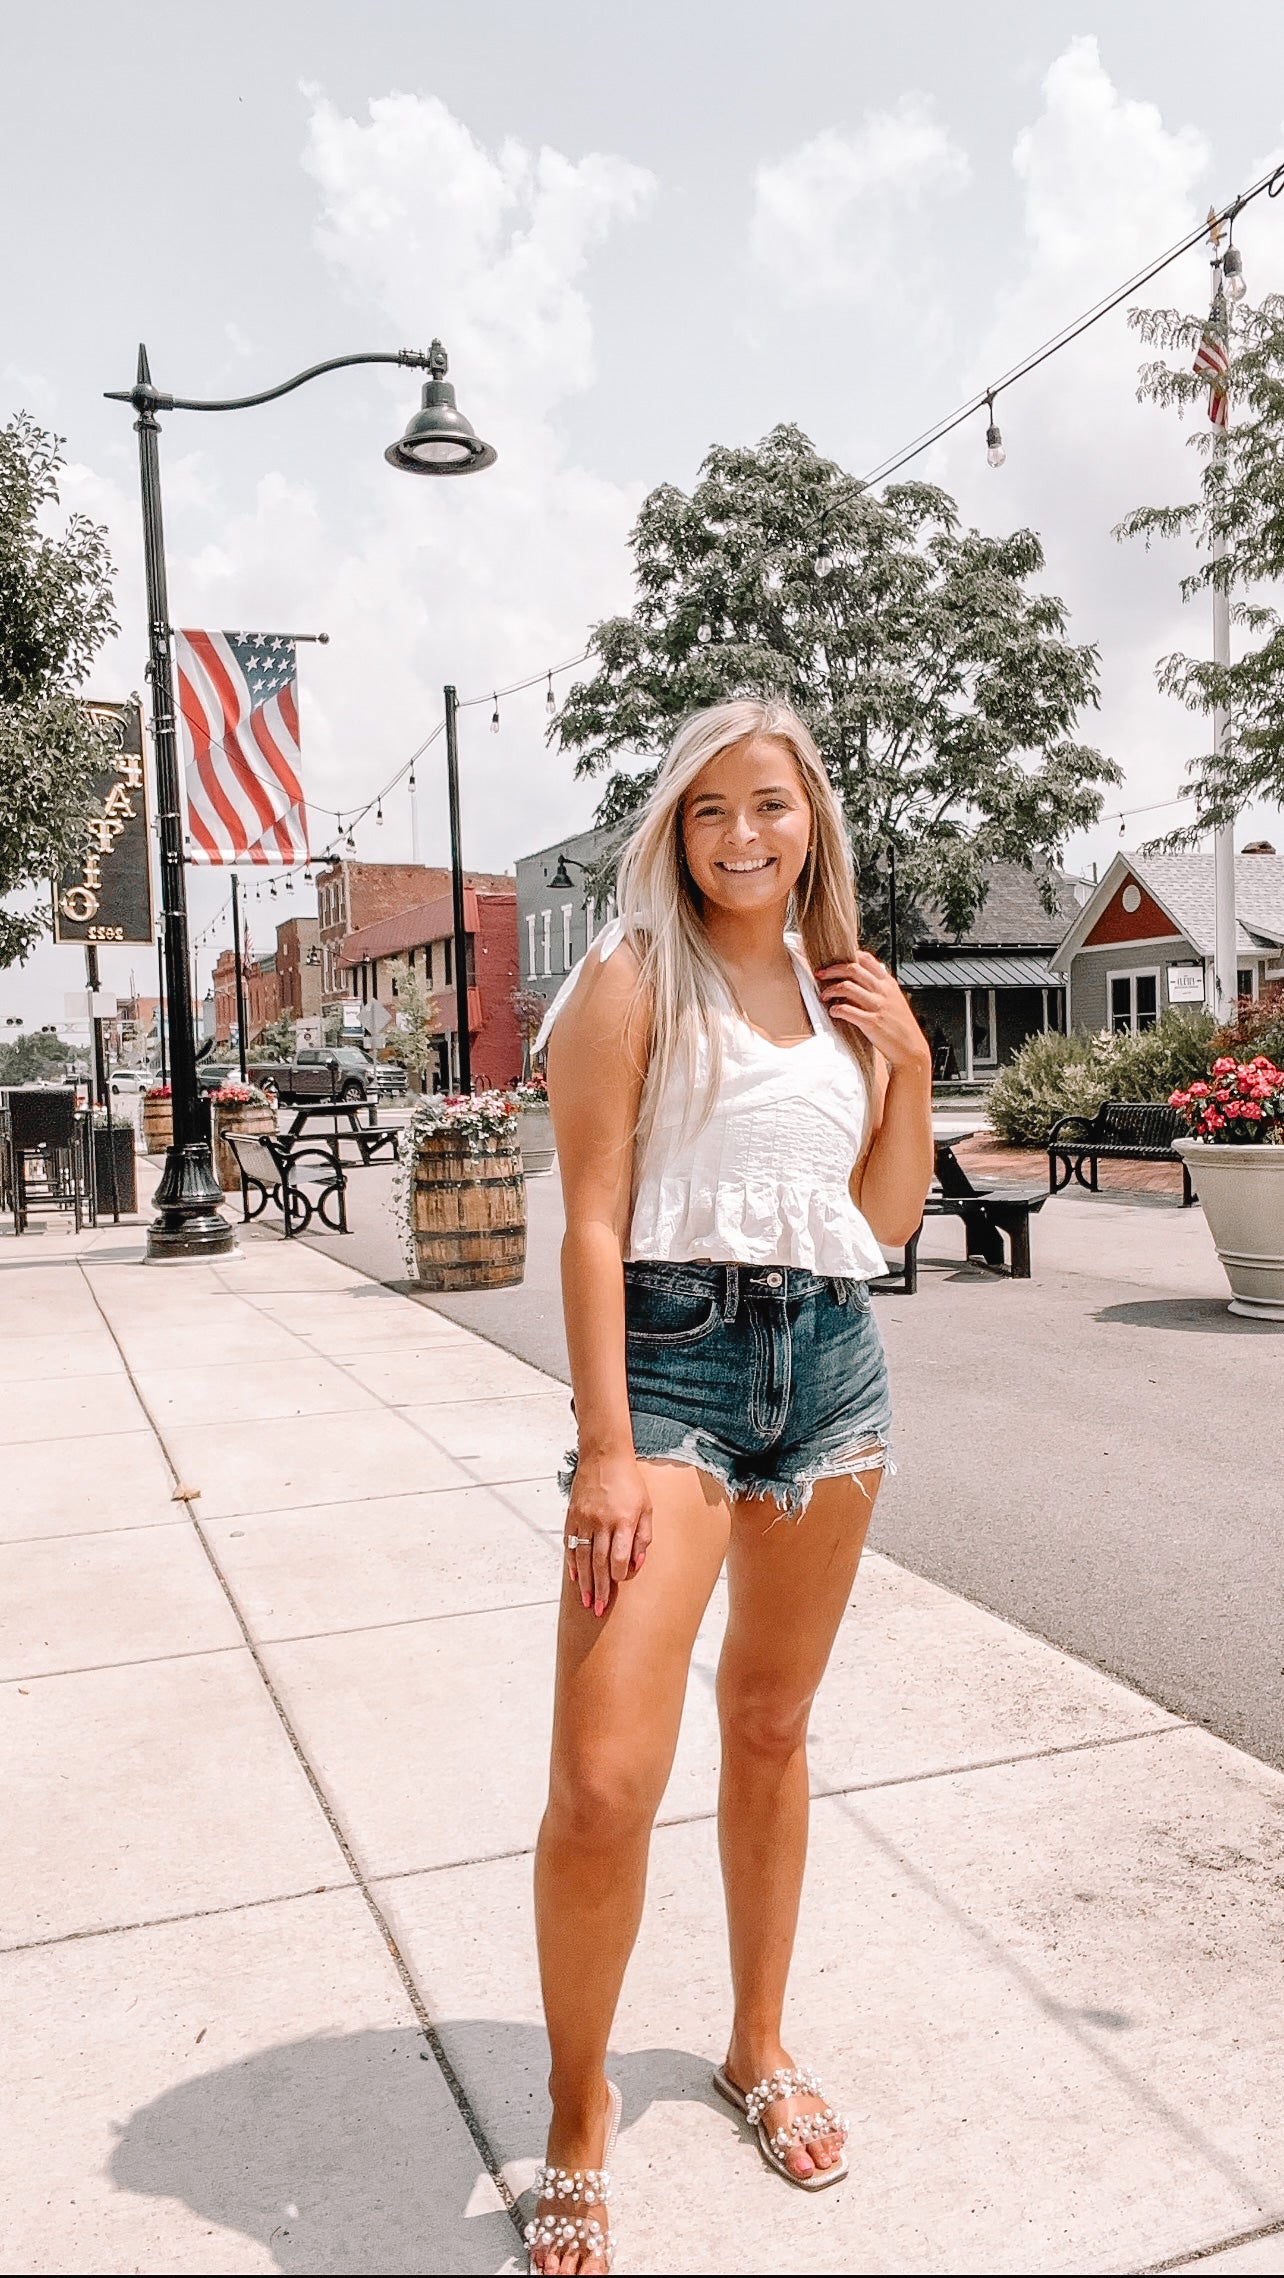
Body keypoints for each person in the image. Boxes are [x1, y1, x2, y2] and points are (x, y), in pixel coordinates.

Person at [526, 698, 932, 2275]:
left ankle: (756, 2044)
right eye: (710, 812)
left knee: (770, 1724)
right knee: (602, 1779)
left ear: (810, 818)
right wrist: (610, 1447)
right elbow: (589, 1220)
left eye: (770, 805)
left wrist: (897, 1061)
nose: (743, 835)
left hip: (832, 1369)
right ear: (675, 834)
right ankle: (579, 2110)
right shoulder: (633, 975)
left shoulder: (846, 991)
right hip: (676, 1374)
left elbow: (880, 1224)